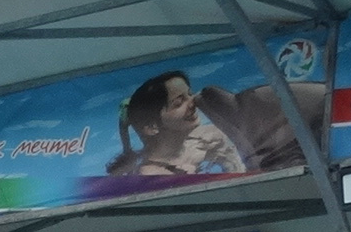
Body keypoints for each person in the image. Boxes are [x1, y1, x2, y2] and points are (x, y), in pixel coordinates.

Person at [106, 72, 247, 177]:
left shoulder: (211, 136)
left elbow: (242, 173)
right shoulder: (152, 175)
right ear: (152, 127)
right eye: (179, 103)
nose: (193, 102)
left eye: (189, 94)